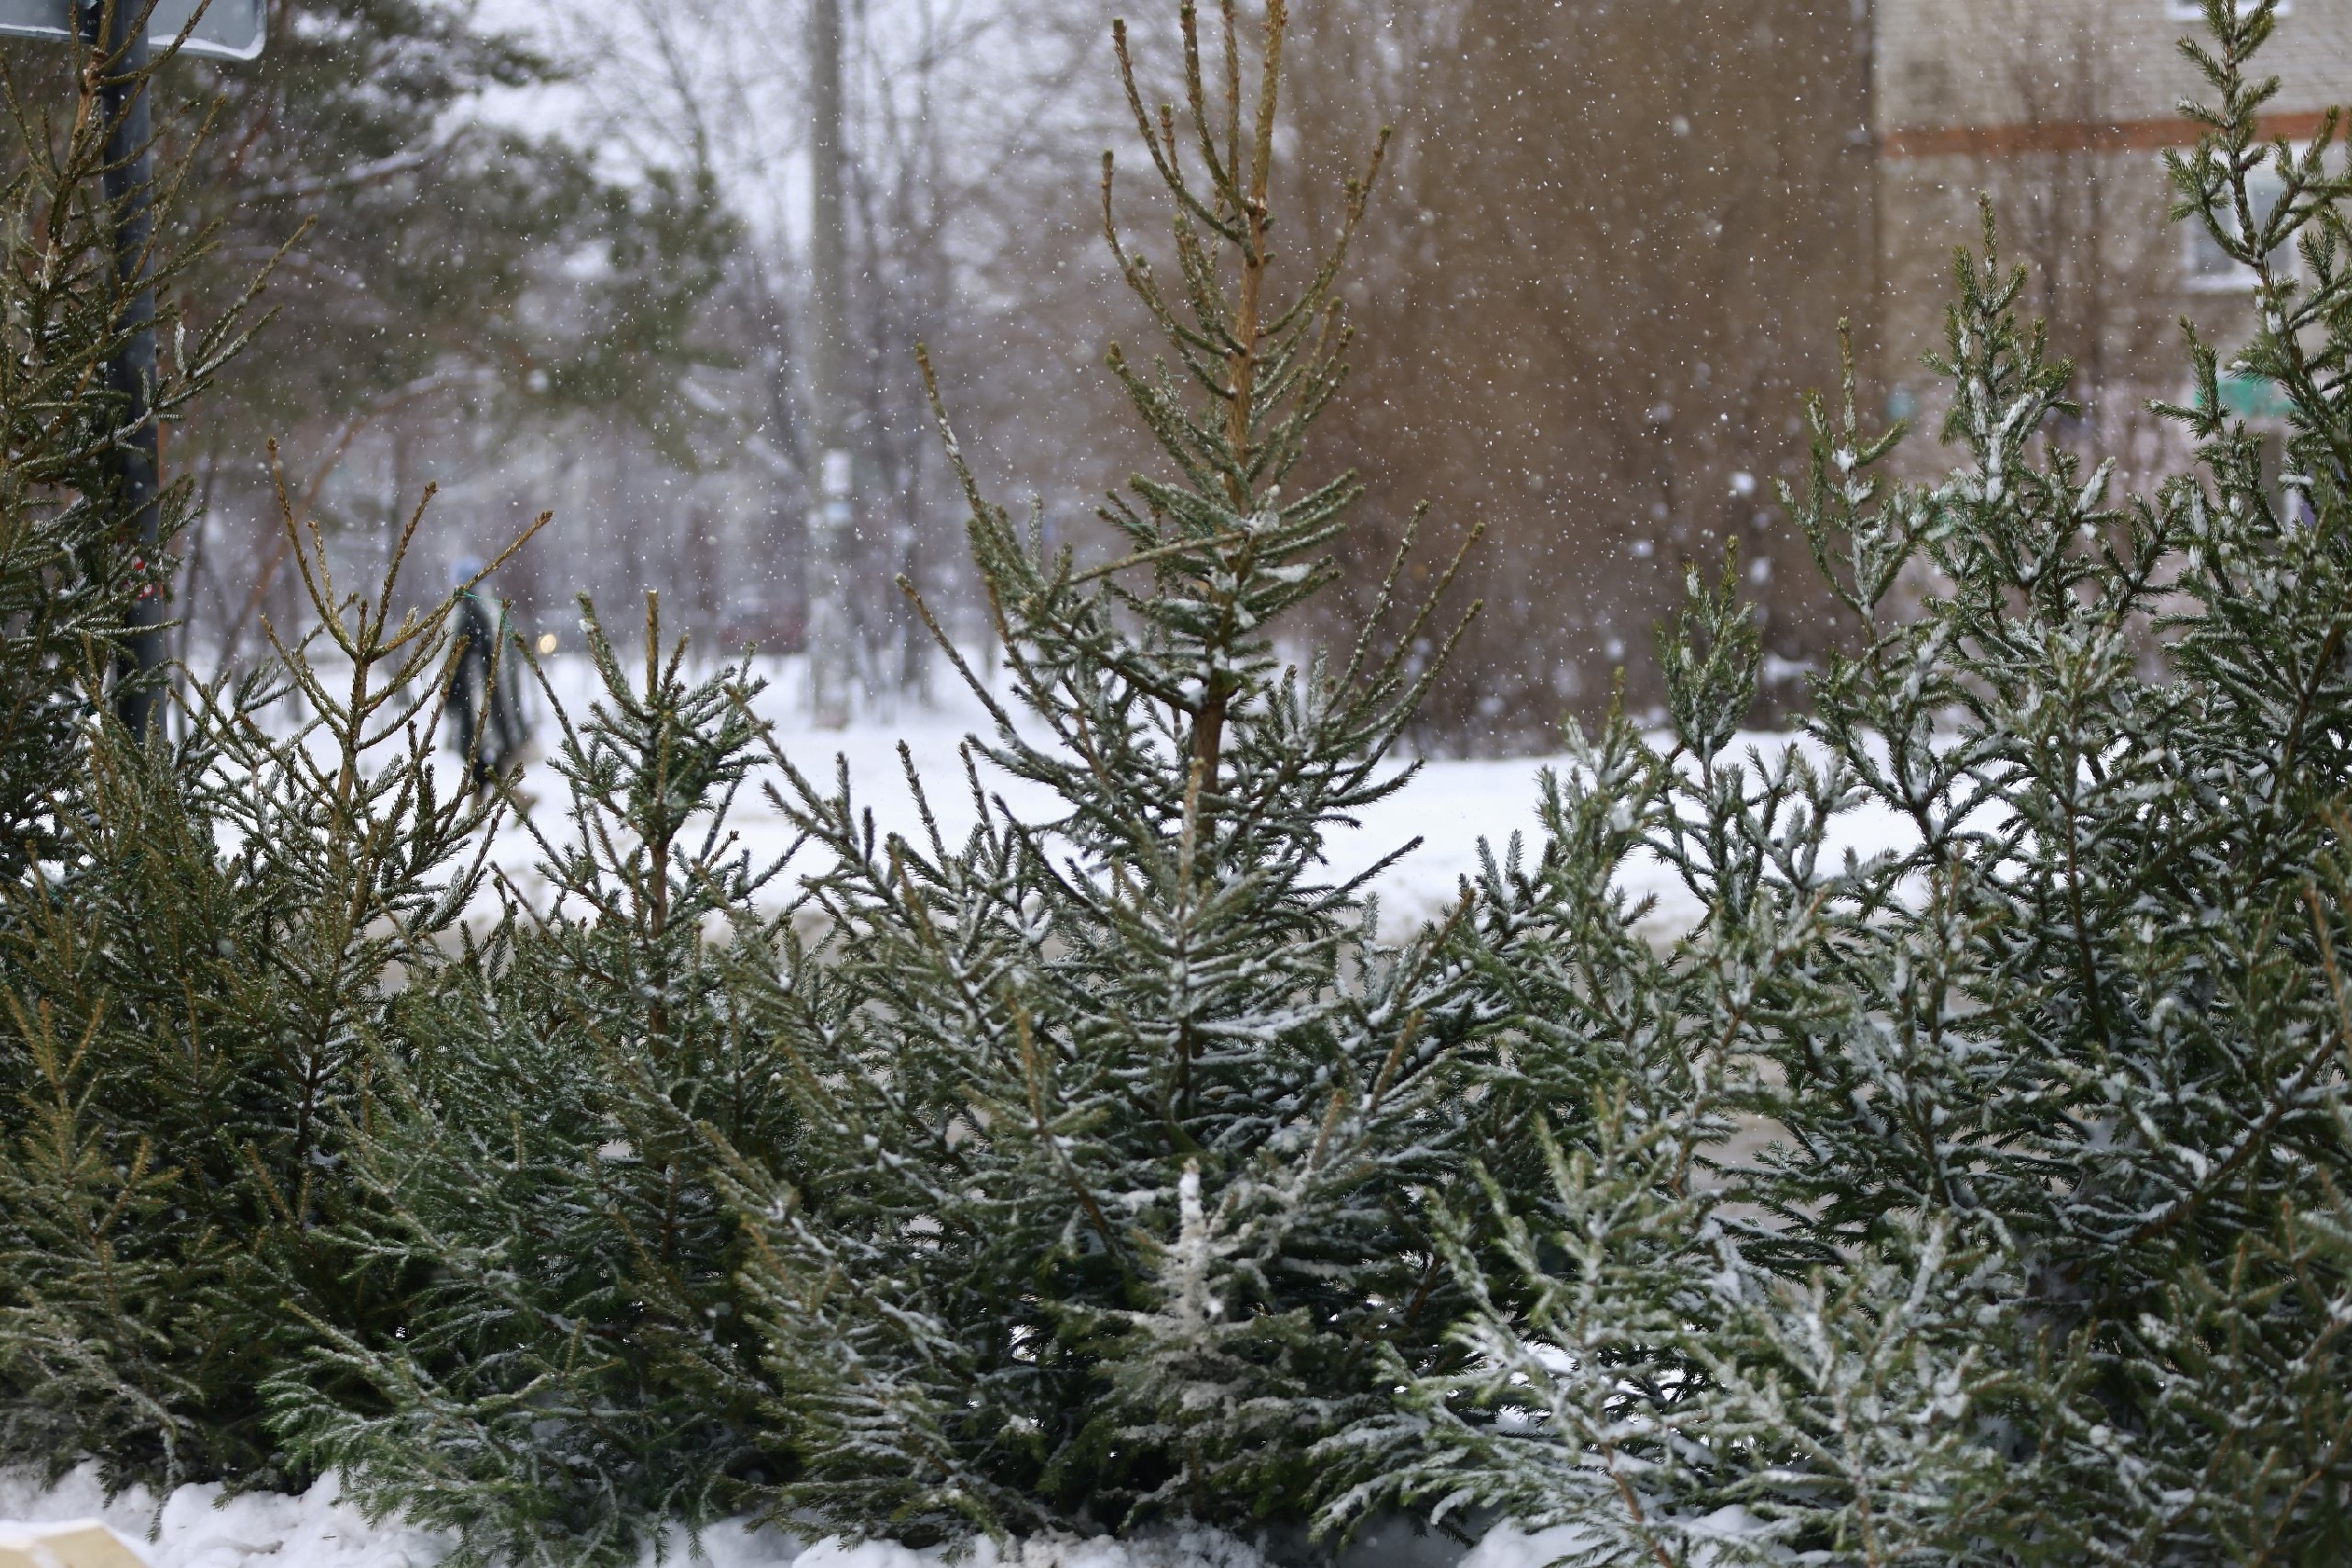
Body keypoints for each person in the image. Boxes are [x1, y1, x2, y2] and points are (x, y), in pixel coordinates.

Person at [446, 556, 527, 797]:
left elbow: (462, 659)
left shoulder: (469, 612)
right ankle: (507, 796)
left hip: (476, 698)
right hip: (492, 697)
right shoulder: (491, 609)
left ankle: (506, 796)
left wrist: (452, 694)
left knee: (475, 751)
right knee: (483, 753)